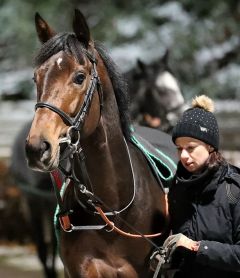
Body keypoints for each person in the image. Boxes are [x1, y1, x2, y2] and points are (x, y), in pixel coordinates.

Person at [160, 95, 240, 278]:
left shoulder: (234, 188)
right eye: (179, 149)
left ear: (210, 147)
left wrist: (197, 247)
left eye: (191, 147)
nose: (183, 156)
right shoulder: (177, 188)